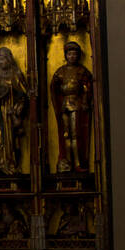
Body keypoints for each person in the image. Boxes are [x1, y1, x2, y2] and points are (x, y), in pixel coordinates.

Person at [50, 40, 94, 172]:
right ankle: (67, 162)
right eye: (69, 54)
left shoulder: (82, 71)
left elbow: (88, 86)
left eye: (74, 54)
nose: (72, 56)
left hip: (76, 104)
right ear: (66, 55)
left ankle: (78, 163)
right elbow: (53, 86)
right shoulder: (61, 71)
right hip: (65, 104)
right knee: (66, 134)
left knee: (75, 135)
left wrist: (85, 100)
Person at [0, 46, 29, 175]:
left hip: (10, 113)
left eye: (3, 58)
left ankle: (10, 164)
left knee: (10, 140)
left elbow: (25, 95)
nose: (0, 62)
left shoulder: (16, 75)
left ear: (9, 59)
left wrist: (16, 110)